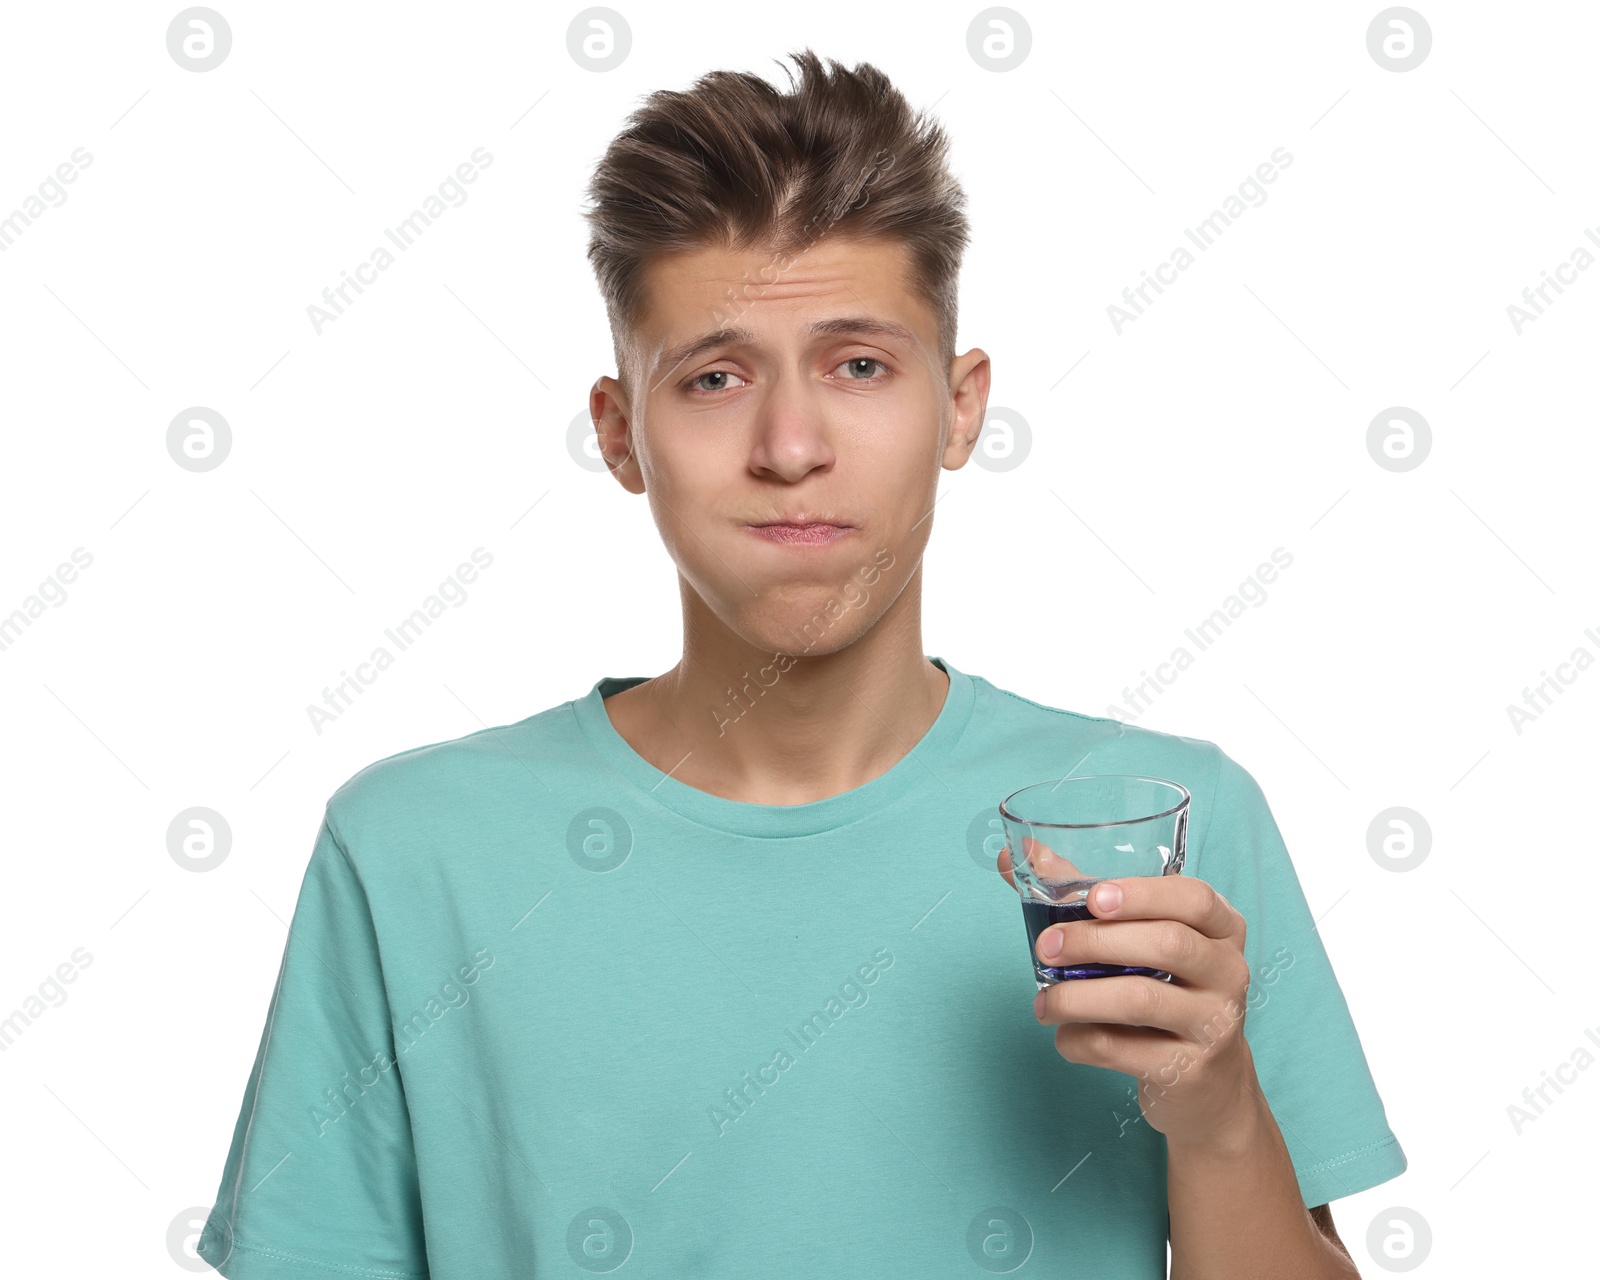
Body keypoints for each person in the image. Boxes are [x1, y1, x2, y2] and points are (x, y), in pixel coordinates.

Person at [195, 49, 1404, 1279]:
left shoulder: (1167, 828)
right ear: (620, 433)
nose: (788, 444)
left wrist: (1219, 1117)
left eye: (859, 365)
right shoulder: (413, 849)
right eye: (715, 377)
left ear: (960, 407)